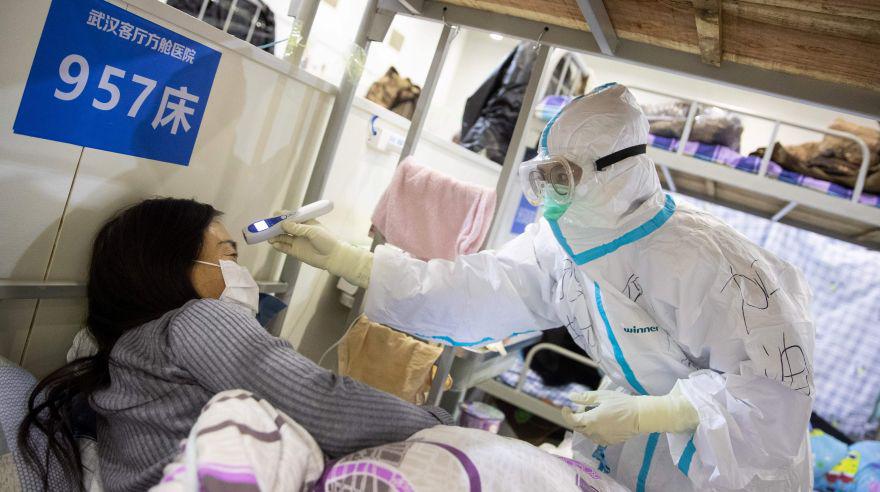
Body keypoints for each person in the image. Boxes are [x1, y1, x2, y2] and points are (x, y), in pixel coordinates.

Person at [270, 84, 815, 491]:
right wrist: (355, 263)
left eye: (564, 176)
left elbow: (773, 393)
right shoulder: (564, 242)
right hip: (630, 455)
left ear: (614, 171)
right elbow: (480, 288)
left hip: (732, 468)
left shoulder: (709, 261)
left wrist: (661, 412)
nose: (551, 193)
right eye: (545, 175)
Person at [18, 198, 451, 492]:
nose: (239, 273)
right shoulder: (198, 319)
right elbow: (325, 402)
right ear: (171, 268)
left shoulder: (118, 356)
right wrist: (440, 426)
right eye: (229, 257)